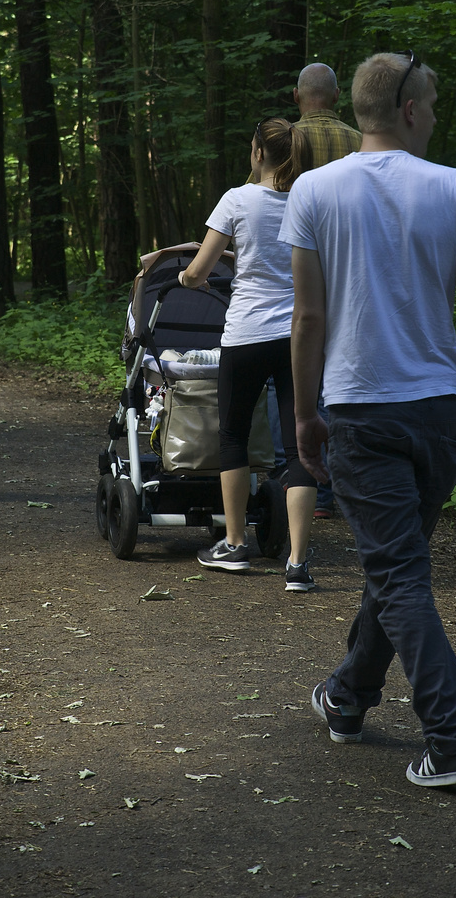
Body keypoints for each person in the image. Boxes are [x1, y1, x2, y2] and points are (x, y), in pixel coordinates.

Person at [281, 51, 456, 787]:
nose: (435, 118)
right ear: (409, 110)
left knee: (398, 572)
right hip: (437, 410)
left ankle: (453, 738)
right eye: (433, 105)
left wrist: (305, 410)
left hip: (357, 405)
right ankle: (347, 698)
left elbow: (308, 317)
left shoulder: (314, 190)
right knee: (398, 566)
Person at [179, 118, 319, 592]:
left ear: (258, 152)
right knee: (301, 446)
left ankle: (235, 543)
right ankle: (298, 564)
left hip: (248, 333)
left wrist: (185, 279)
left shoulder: (237, 199)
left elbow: (199, 271)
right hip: (299, 336)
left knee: (234, 435)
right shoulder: (309, 201)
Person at [289, 63, 362, 521]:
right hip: (347, 270)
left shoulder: (283, 140)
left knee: (295, 369)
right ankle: (336, 488)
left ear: (297, 96)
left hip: (292, 267)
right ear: (336, 96)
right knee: (337, 375)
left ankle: (301, 480)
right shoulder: (360, 141)